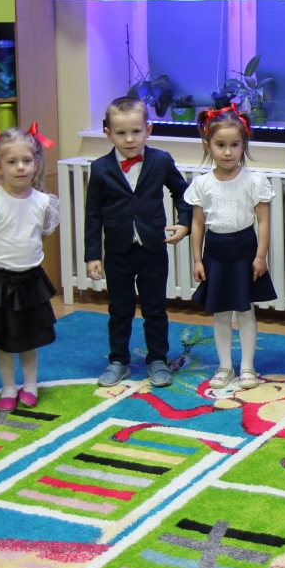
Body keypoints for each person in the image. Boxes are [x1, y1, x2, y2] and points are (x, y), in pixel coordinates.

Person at [83, 97, 190, 388]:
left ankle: (158, 360)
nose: (129, 139)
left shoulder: (161, 160)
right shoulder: (100, 168)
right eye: (121, 133)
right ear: (109, 134)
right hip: (117, 252)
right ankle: (118, 360)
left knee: (155, 309)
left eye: (136, 131)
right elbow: (92, 214)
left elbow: (183, 194)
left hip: (153, 249)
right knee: (120, 310)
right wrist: (92, 255)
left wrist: (184, 223)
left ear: (148, 130)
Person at [0, 126, 61, 412]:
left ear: (36, 163)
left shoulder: (44, 202)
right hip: (0, 282)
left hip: (30, 281)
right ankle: (8, 387)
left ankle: (30, 385)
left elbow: (41, 236)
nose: (21, 167)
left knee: (29, 338)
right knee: (4, 340)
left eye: (26, 160)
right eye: (12, 162)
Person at [185, 105, 276, 391]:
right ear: (208, 146)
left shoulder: (254, 181)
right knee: (221, 313)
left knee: (246, 311)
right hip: (215, 253)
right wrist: (197, 260)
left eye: (234, 145)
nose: (228, 152)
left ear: (243, 145)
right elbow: (197, 224)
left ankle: (248, 366)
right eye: (221, 145)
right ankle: (225, 366)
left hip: (245, 252)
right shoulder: (201, 184)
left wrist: (260, 256)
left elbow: (263, 221)